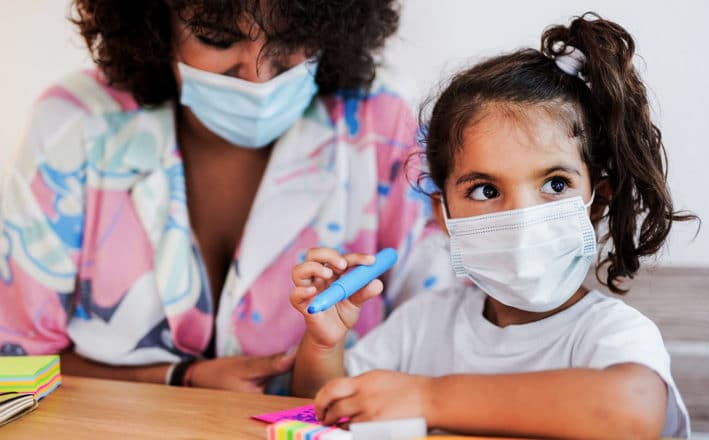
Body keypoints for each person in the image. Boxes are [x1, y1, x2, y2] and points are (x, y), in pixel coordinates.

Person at [0, 0, 453, 392]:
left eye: (291, 39)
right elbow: (15, 364)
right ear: (156, 26)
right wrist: (179, 379)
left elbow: (450, 341)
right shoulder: (77, 123)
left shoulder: (382, 128)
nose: (256, 75)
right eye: (218, 38)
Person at [288, 13, 695, 438]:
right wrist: (324, 345)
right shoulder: (423, 324)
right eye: (485, 190)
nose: (519, 218)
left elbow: (632, 410)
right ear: (443, 215)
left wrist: (430, 399)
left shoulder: (607, 333)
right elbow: (319, 417)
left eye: (555, 184)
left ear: (597, 203)